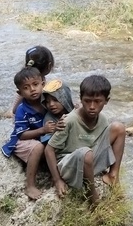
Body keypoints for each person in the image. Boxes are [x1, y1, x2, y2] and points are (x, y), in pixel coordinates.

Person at [45, 74, 126, 207]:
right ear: (81, 99)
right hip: (70, 167)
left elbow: (100, 144)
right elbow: (49, 150)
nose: (92, 106)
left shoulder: (103, 120)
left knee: (119, 128)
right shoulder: (69, 120)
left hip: (89, 161)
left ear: (107, 100)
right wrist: (57, 180)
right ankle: (93, 197)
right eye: (87, 101)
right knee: (86, 153)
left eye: (98, 101)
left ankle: (113, 175)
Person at [1, 66, 58, 200]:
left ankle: (55, 175)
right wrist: (42, 130)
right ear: (20, 92)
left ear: (43, 84)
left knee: (57, 141)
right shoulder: (23, 109)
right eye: (26, 88)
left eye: (35, 84)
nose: (32, 89)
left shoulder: (47, 101)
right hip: (22, 140)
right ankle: (30, 185)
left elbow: (64, 107)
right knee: (38, 147)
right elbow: (21, 134)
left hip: (41, 138)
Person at [10, 45, 56, 115]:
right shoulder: (41, 84)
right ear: (49, 65)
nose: (32, 89)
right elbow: (15, 109)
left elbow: (14, 110)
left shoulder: (25, 82)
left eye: (35, 84)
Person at [40, 79, 74, 144]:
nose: (51, 104)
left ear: (65, 98)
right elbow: (46, 141)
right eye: (47, 101)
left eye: (55, 100)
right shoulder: (49, 119)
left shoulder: (76, 111)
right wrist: (55, 131)